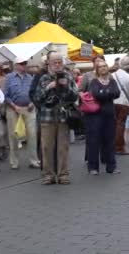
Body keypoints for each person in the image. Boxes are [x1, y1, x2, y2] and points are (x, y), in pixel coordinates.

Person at [34, 52, 79, 185]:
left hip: (63, 117)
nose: (58, 65)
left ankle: (63, 174)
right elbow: (37, 98)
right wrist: (48, 88)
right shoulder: (43, 78)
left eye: (60, 62)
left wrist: (65, 87)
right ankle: (48, 175)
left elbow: (75, 96)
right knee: (47, 147)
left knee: (63, 148)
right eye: (55, 62)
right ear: (49, 63)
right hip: (47, 117)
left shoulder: (68, 77)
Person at [86, 60, 121, 175]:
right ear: (97, 70)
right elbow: (95, 94)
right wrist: (108, 93)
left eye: (105, 66)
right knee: (94, 141)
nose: (103, 68)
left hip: (109, 115)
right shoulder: (94, 82)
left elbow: (117, 93)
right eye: (100, 67)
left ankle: (111, 166)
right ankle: (93, 167)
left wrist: (104, 92)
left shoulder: (112, 81)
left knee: (110, 141)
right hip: (95, 116)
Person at [4, 57, 39, 170]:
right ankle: (14, 162)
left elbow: (35, 93)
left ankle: (34, 160)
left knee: (32, 135)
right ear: (16, 65)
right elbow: (4, 95)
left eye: (25, 63)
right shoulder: (8, 78)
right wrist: (14, 106)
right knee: (13, 136)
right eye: (21, 63)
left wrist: (32, 103)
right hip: (13, 109)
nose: (24, 65)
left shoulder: (30, 77)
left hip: (29, 109)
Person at [112, 57, 129, 155]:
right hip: (123, 103)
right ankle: (119, 147)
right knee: (120, 125)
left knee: (113, 125)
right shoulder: (128, 76)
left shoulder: (112, 75)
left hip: (112, 102)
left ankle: (112, 146)